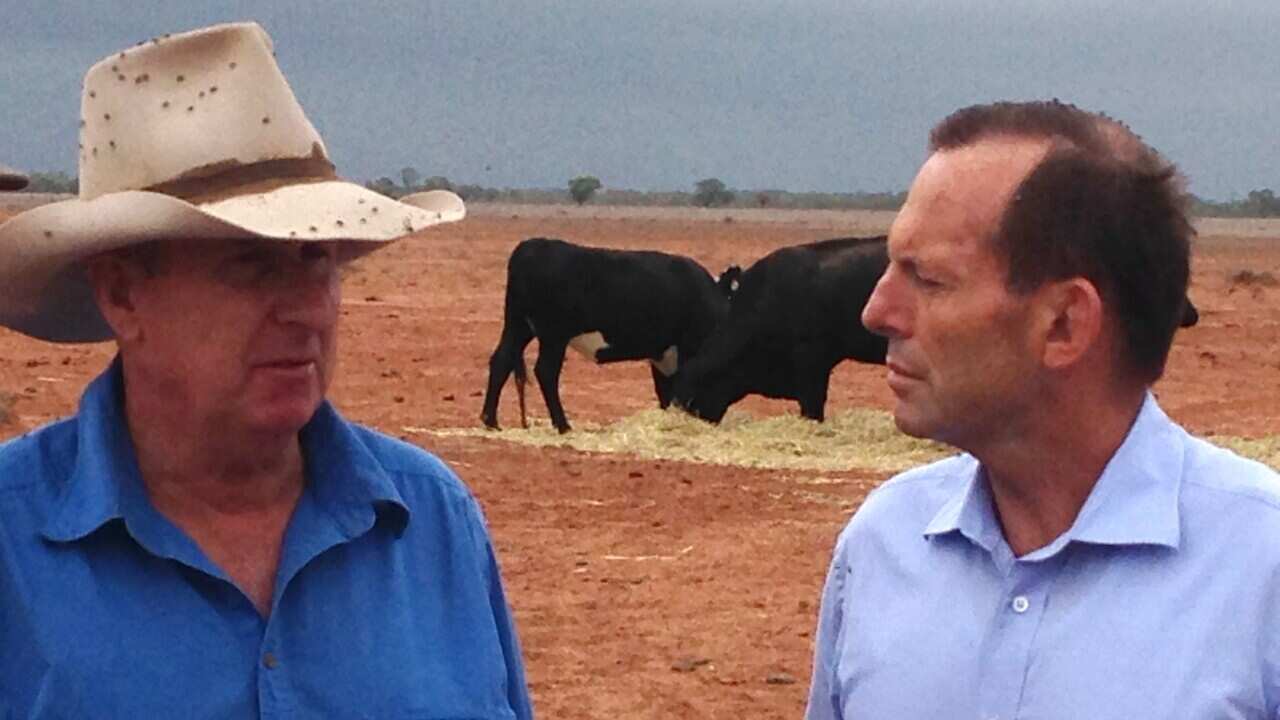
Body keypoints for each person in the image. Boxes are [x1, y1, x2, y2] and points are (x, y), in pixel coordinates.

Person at [0, 22, 533, 719]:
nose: (305, 310)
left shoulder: (432, 521)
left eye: (319, 261)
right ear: (124, 294)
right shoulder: (13, 540)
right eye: (250, 266)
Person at [805, 100, 1280, 719]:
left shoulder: (1261, 571)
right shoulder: (883, 544)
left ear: (1063, 324)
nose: (876, 312)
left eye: (929, 279)